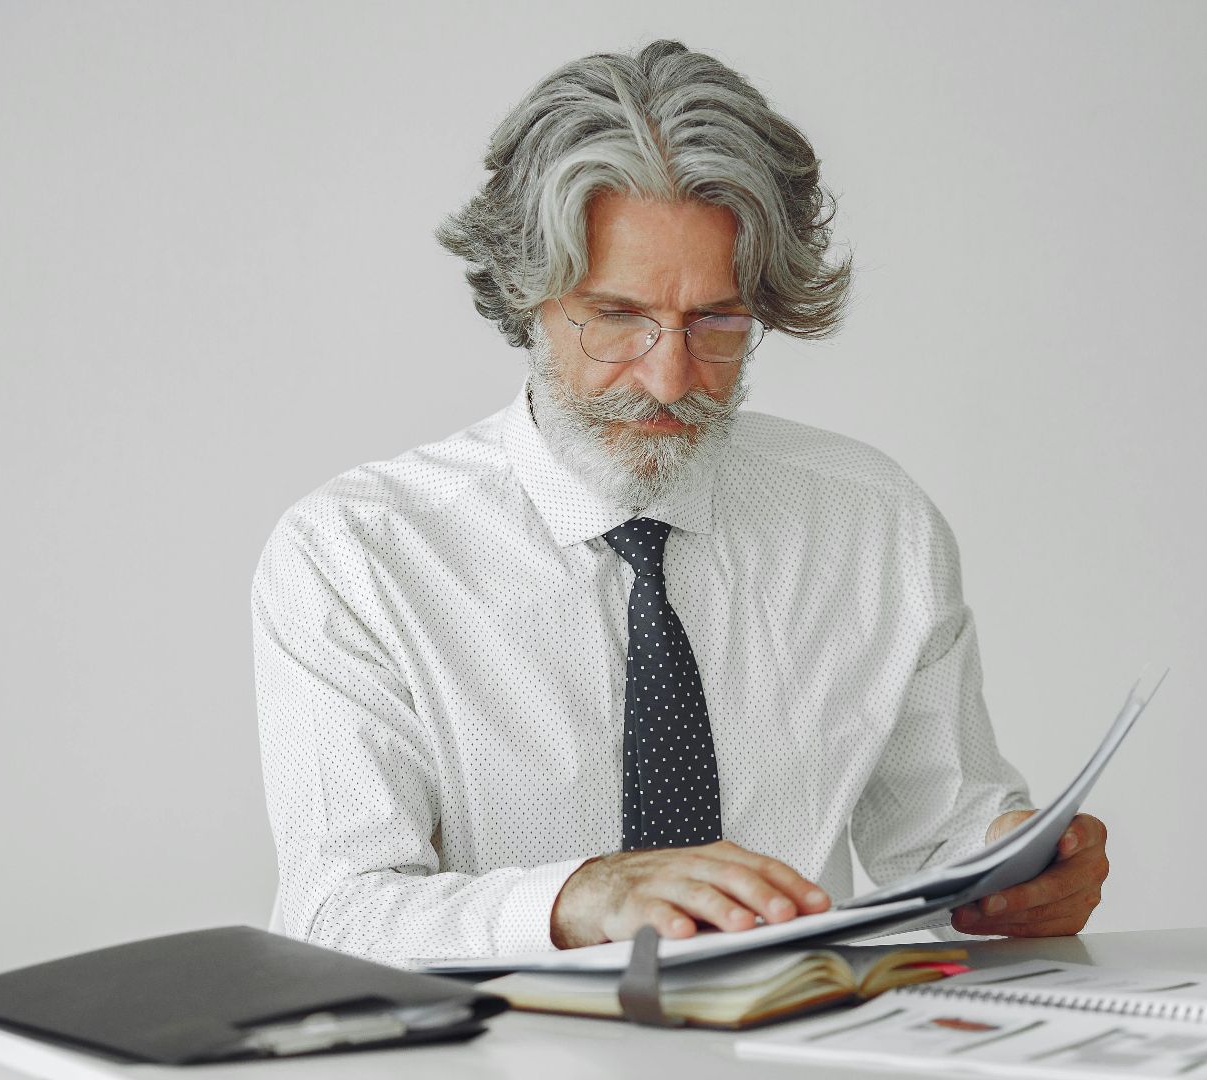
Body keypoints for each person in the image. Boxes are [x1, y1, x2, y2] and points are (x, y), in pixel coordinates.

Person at [251, 40, 1108, 966]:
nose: (668, 377)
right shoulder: (355, 554)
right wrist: (578, 899)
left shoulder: (873, 523)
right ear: (525, 293)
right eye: (617, 316)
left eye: (717, 322)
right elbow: (331, 914)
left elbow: (944, 834)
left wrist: (1012, 872)